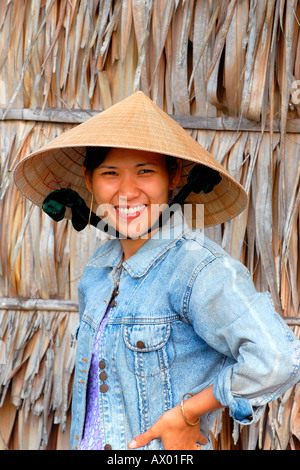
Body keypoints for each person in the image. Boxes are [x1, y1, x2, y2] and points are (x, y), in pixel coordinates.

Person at [13, 92, 300, 451]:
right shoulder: (98, 270)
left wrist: (187, 413)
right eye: (110, 173)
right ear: (89, 179)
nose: (127, 191)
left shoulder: (198, 269)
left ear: (173, 175)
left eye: (145, 171)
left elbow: (278, 358)